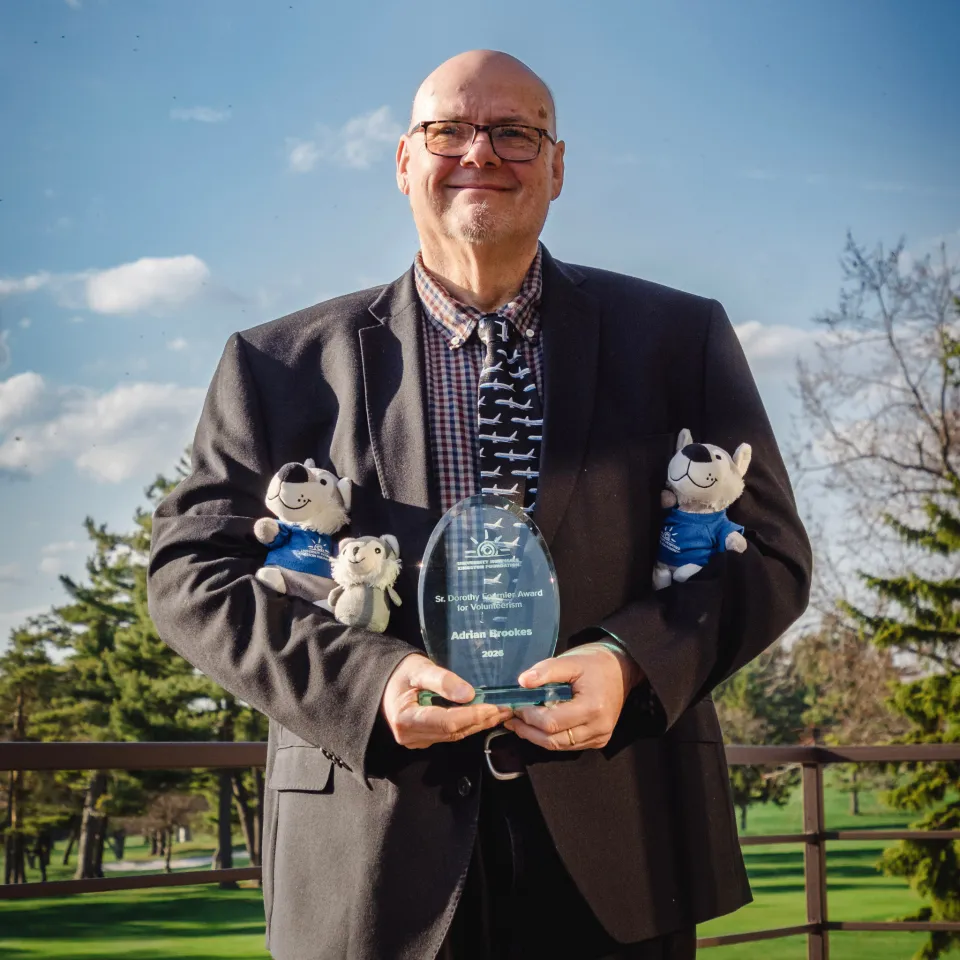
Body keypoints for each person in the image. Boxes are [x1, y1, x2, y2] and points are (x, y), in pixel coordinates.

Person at [148, 49, 811, 960]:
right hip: (370, 850)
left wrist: (631, 663)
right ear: (403, 162)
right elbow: (187, 578)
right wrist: (368, 684)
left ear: (558, 165)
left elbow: (770, 554)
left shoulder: (678, 338)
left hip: (619, 835)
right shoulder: (278, 365)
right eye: (448, 131)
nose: (480, 153)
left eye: (514, 133)